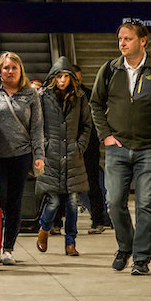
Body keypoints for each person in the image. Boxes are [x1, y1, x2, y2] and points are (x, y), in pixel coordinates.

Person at [91, 21, 151, 276]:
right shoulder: (109, 70)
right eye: (120, 38)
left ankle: (141, 258)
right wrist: (105, 136)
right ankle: (125, 245)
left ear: (143, 40)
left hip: (149, 147)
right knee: (114, 202)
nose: (122, 43)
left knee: (145, 204)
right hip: (117, 147)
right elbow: (95, 104)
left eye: (128, 39)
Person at [0, 52, 45, 265]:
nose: (10, 71)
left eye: (14, 67)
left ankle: (8, 249)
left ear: (20, 70)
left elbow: (37, 126)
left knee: (14, 202)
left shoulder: (31, 95)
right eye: (5, 68)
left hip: (20, 154)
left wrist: (38, 155)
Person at [36, 58, 92, 256]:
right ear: (53, 77)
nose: (62, 80)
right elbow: (37, 123)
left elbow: (87, 125)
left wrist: (80, 146)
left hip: (72, 155)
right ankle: (44, 229)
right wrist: (43, 145)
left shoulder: (79, 97)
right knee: (53, 201)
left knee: (72, 202)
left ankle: (71, 242)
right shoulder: (43, 96)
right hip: (50, 155)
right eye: (59, 76)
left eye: (66, 76)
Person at [75, 65, 109, 234]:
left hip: (90, 145)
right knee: (63, 187)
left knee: (93, 183)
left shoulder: (89, 95)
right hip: (69, 145)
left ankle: (98, 219)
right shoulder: (59, 96)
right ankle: (57, 222)